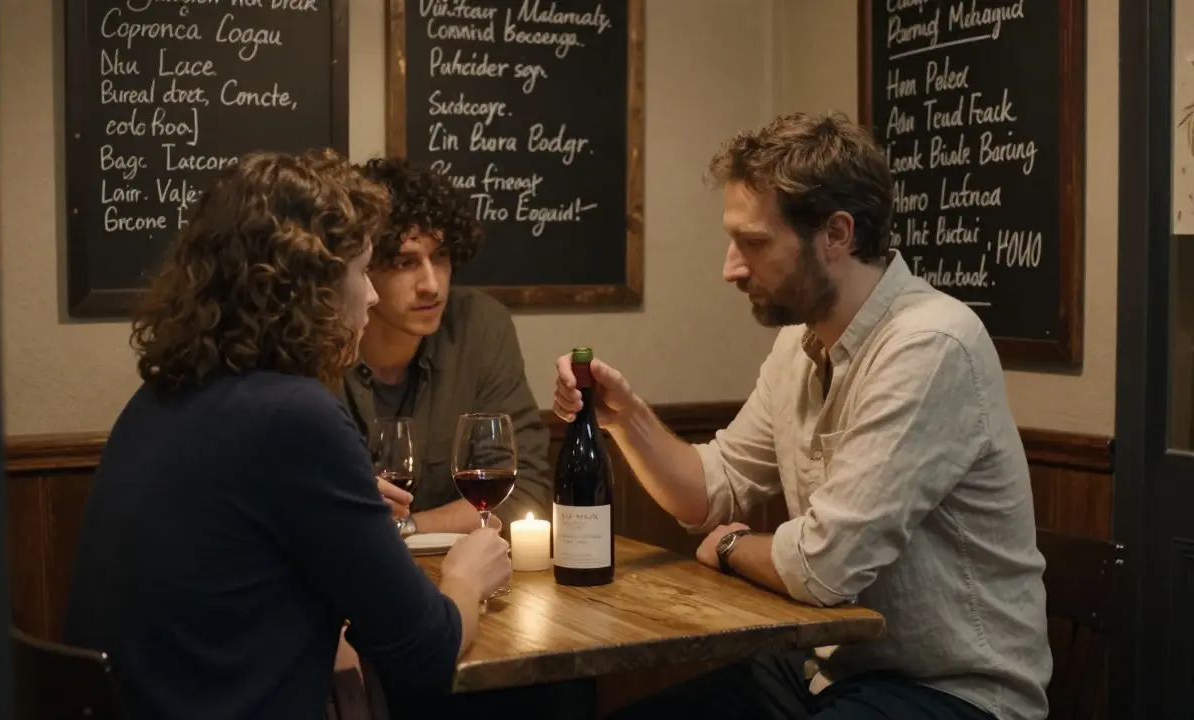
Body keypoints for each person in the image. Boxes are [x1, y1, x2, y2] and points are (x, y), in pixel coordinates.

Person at [551, 112, 1052, 720]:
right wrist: (624, 417)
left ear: (837, 234)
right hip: (826, 670)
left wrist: (733, 544)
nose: (731, 268)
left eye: (754, 243)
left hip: (953, 692)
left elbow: (823, 568)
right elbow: (711, 490)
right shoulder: (800, 342)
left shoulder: (930, 344)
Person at [63, 149, 511, 720]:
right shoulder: (295, 416)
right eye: (361, 271)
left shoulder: (160, 397)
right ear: (309, 287)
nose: (371, 297)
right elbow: (425, 653)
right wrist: (466, 576)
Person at [348, 156, 551, 535]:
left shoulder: (480, 326)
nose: (432, 285)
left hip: (459, 570)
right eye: (405, 263)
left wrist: (406, 527)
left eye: (440, 257)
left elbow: (524, 490)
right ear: (362, 267)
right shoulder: (322, 340)